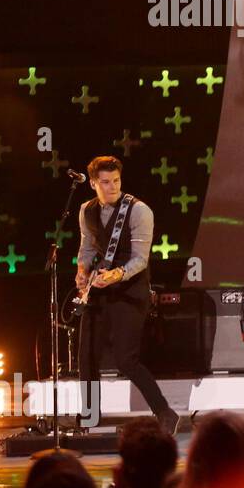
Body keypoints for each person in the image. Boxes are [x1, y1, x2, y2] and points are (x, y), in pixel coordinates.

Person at [74, 156, 178, 435]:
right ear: (93, 183)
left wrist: (116, 275)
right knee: (86, 357)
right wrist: (82, 271)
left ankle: (165, 412)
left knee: (125, 360)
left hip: (130, 291)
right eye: (105, 182)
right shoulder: (86, 210)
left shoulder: (139, 210)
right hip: (98, 290)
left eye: (116, 181)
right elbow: (87, 248)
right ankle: (89, 416)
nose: (112, 187)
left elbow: (140, 260)